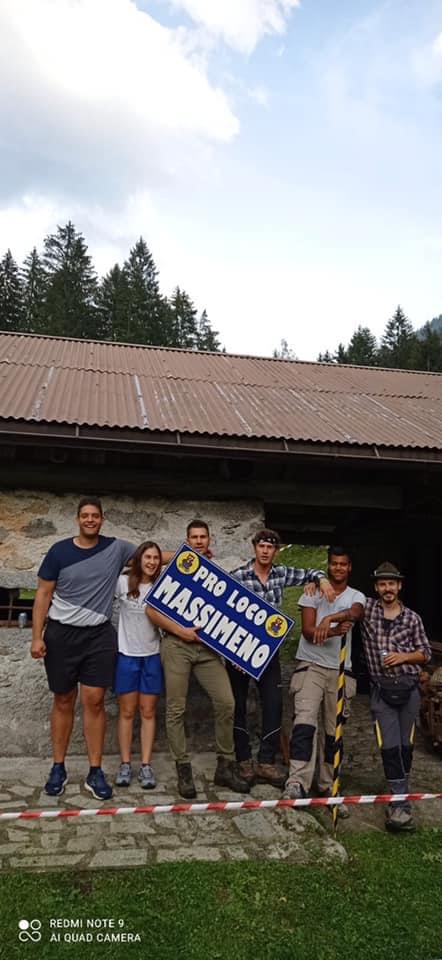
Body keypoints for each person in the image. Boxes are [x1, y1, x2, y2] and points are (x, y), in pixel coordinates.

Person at [31, 497, 136, 801]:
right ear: (78, 519)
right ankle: (58, 767)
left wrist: (191, 555)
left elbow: (151, 556)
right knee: (63, 700)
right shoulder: (59, 551)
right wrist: (37, 637)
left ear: (102, 519)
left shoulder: (116, 548)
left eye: (96, 516)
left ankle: (95, 770)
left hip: (99, 637)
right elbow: (42, 594)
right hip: (61, 635)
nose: (90, 520)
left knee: (95, 701)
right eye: (85, 516)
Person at [146, 520, 249, 799]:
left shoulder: (216, 572)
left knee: (226, 702)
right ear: (187, 540)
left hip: (207, 650)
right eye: (194, 537)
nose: (199, 541)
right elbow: (151, 609)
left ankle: (225, 766)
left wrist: (238, 652)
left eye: (203, 537)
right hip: (177, 645)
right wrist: (181, 631)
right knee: (176, 709)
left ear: (210, 539)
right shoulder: (174, 568)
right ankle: (183, 769)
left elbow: (228, 615)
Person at [227, 529, 336, 789]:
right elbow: (225, 613)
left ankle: (266, 760)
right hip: (240, 652)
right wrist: (229, 651)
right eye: (261, 546)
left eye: (270, 547)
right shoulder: (238, 576)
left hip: (268, 652)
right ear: (254, 548)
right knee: (237, 705)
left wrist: (321, 580)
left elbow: (310, 572)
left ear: (276, 551)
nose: (265, 551)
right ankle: (243, 759)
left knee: (274, 704)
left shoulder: (281, 573)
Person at [282, 546, 365, 814]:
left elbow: (356, 613)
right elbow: (308, 632)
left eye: (343, 564)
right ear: (328, 566)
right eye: (334, 564)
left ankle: (328, 784)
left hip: (341, 670)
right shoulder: (313, 593)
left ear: (349, 568)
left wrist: (331, 618)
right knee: (304, 724)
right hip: (311, 666)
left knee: (334, 731)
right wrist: (332, 631)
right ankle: (297, 781)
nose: (338, 568)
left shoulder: (356, 595)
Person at [360, 561, 431, 833]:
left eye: (392, 583)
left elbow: (424, 652)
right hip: (382, 690)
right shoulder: (367, 611)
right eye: (382, 584)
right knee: (389, 746)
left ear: (399, 586)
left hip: (409, 688)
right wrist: (320, 581)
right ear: (376, 588)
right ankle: (400, 805)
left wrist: (404, 656)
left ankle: (400, 794)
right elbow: (344, 596)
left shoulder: (412, 618)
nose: (387, 588)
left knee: (405, 746)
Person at [113, 541, 164, 790]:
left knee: (148, 712)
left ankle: (145, 765)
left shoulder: (163, 587)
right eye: (147, 557)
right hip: (127, 655)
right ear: (138, 560)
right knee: (126, 712)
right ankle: (125, 763)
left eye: (156, 558)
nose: (152, 562)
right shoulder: (123, 583)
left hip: (152, 656)